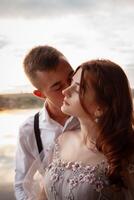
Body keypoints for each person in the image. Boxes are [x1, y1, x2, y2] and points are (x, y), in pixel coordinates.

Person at [24, 59, 134, 200]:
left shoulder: (127, 153)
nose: (65, 91)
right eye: (71, 83)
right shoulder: (62, 140)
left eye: (77, 89)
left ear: (100, 108)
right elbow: (43, 194)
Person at [14, 45, 79, 200]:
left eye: (71, 77)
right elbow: (21, 185)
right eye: (57, 87)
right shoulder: (28, 130)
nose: (70, 87)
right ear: (40, 94)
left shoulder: (96, 116)